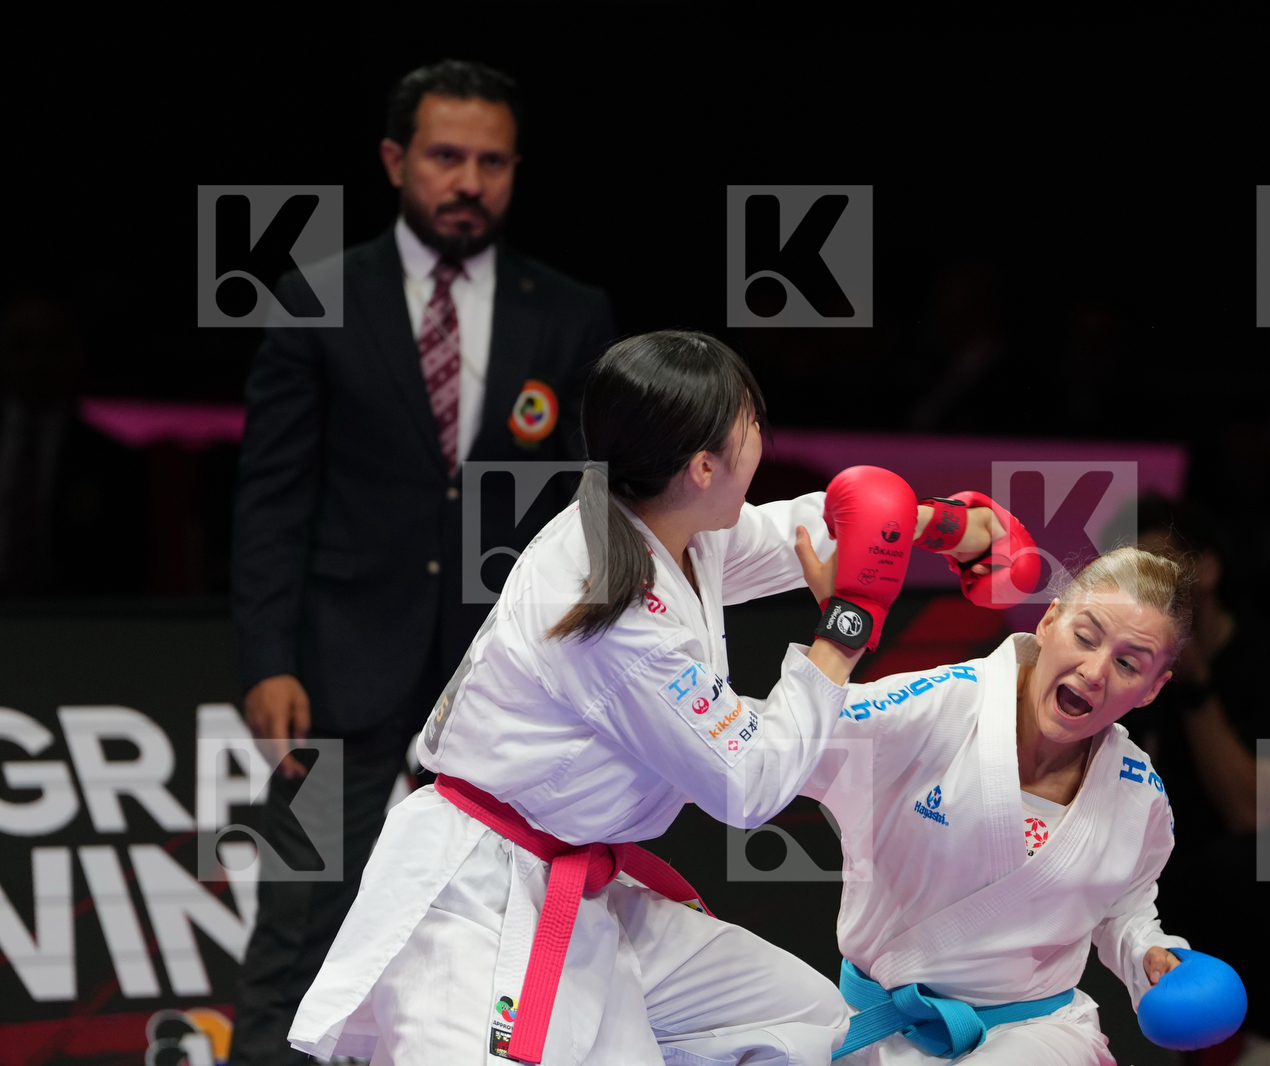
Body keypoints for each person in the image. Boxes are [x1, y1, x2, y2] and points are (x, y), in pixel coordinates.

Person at [287, 331, 969, 1066]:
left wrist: (941, 524)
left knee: (810, 1023)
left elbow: (796, 534)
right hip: (482, 906)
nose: (760, 442)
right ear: (704, 465)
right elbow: (749, 785)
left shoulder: (660, 520)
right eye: (750, 425)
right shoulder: (615, 613)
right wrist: (844, 631)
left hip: (579, 885)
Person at [229, 59, 615, 1065]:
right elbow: (273, 496)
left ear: (515, 169)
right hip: (337, 668)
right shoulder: (317, 296)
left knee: (506, 922)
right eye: (446, 157)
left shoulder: (569, 313)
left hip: (507, 678)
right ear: (397, 160)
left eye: (492, 161)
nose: (469, 181)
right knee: (301, 909)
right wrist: (268, 656)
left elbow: (591, 507)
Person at [809, 533, 1199, 1066]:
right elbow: (773, 749)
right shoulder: (934, 708)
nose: (1094, 671)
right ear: (1049, 621)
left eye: (1130, 665)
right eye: (1086, 637)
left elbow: (1120, 904)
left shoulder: (1138, 792)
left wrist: (1145, 951)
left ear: (1153, 689)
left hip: (1034, 1035)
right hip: (877, 1027)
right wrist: (834, 637)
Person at [1125, 496, 1270, 1066]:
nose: (1149, 585)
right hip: (1159, 869)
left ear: (1209, 570)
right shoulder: (1117, 666)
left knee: (1238, 863)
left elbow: (1253, 812)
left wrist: (1193, 685)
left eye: (1162, 564)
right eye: (1133, 570)